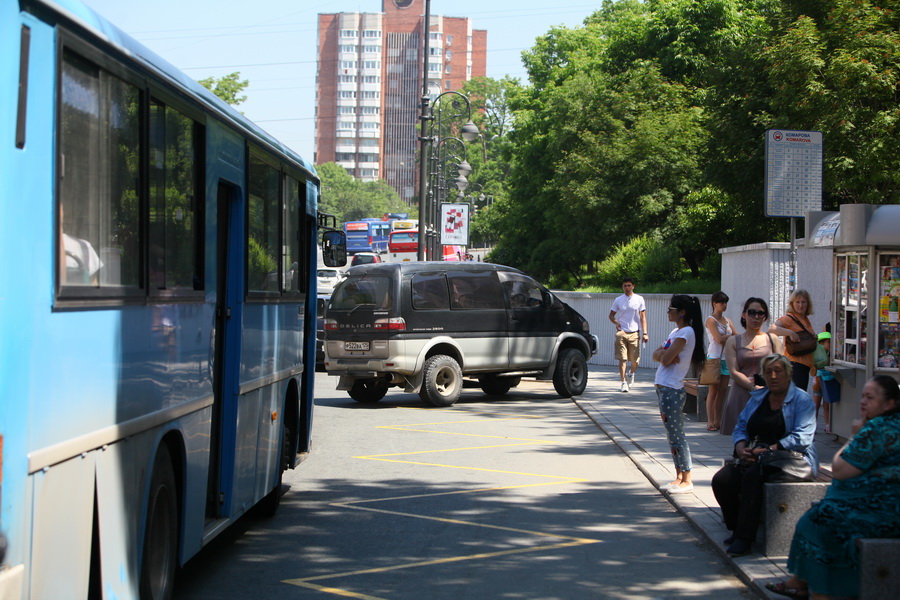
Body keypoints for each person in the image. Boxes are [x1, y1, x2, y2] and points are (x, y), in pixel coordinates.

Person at [766, 375, 900, 600]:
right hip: (884, 506)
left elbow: (839, 469)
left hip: (882, 513)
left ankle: (821, 591)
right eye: (862, 396)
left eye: (870, 397)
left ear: (889, 404)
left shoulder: (876, 428)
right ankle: (802, 584)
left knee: (820, 520)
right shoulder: (891, 424)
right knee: (817, 516)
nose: (863, 402)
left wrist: (854, 437)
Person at [711, 353, 818, 557]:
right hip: (758, 454)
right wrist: (741, 446)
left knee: (753, 476)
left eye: (778, 371)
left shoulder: (801, 399)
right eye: (768, 372)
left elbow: (802, 438)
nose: (774, 376)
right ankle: (735, 528)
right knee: (723, 479)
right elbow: (741, 426)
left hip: (792, 459)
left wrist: (770, 450)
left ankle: (745, 538)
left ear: (789, 373)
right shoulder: (759, 397)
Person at [652, 294, 705, 494]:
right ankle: (678, 476)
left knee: (677, 435)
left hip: (672, 389)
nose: (668, 312)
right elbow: (658, 355)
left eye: (671, 309)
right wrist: (664, 355)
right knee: (671, 435)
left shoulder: (686, 333)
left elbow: (665, 359)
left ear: (682, 312)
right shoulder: (676, 331)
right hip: (664, 387)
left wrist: (665, 356)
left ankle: (687, 478)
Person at [720, 297, 784, 436]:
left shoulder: (772, 339)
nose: (756, 316)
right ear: (744, 314)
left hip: (768, 392)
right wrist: (753, 387)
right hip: (741, 392)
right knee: (741, 441)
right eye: (752, 312)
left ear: (765, 317)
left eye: (760, 313)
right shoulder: (733, 341)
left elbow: (782, 369)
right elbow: (733, 371)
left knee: (766, 438)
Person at [770, 289, 817, 393]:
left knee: (798, 398)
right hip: (795, 364)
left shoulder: (805, 319)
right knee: (795, 398)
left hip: (804, 366)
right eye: (797, 302)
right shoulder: (789, 318)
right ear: (792, 304)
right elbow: (772, 329)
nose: (801, 305)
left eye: (803, 302)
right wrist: (790, 333)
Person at [608, 277, 649, 392]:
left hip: (635, 332)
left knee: (635, 361)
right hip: (621, 332)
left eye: (629, 285)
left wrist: (645, 333)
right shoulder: (618, 300)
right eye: (625, 286)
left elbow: (643, 317)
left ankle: (631, 373)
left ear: (633, 286)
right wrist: (616, 322)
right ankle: (623, 382)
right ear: (622, 287)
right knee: (622, 359)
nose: (627, 288)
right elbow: (611, 315)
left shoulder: (639, 299)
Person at [704, 291, 735, 431]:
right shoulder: (711, 320)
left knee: (722, 391)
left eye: (725, 302)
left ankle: (718, 420)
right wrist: (729, 337)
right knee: (712, 391)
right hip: (714, 358)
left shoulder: (728, 320)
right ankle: (710, 421)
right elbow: (718, 339)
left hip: (726, 358)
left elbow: (738, 337)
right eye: (721, 302)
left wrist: (728, 337)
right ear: (714, 303)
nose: (724, 305)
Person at [811, 331, 833, 433]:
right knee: (816, 404)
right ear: (821, 343)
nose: (831, 345)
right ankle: (812, 426)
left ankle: (828, 425)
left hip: (827, 380)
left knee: (826, 404)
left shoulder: (832, 354)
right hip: (819, 380)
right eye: (829, 342)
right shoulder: (818, 355)